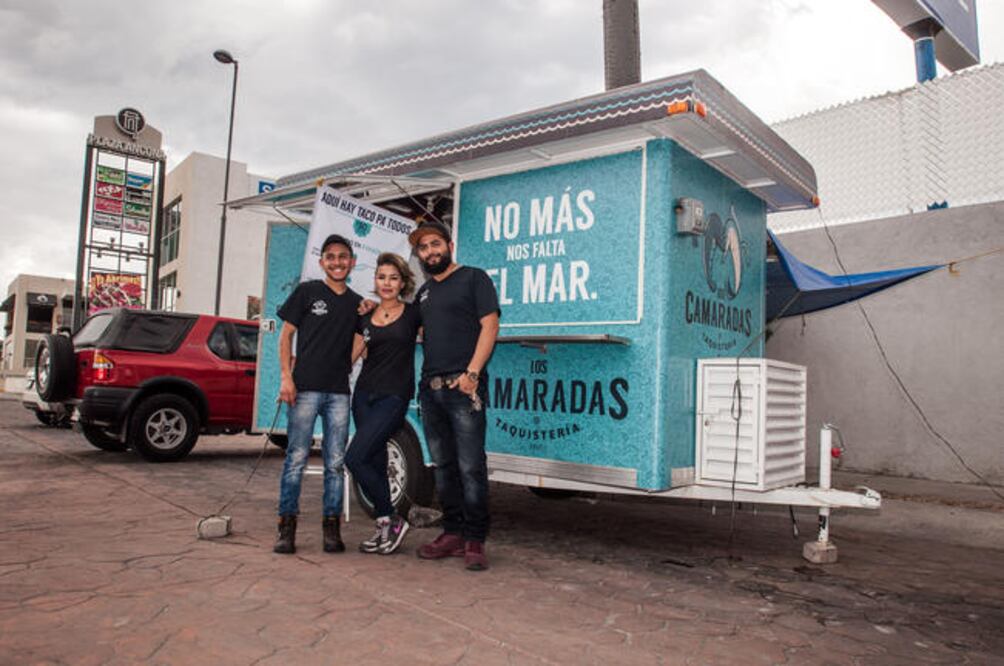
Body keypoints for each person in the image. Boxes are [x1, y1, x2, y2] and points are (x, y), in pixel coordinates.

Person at [409, 219, 500, 571]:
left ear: (449, 245)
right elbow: (409, 327)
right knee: (444, 468)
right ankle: (453, 532)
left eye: (435, 244)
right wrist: (373, 310)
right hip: (430, 392)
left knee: (470, 467)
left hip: (465, 388)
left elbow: (490, 325)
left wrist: (472, 373)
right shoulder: (424, 292)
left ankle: (475, 539)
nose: (430, 251)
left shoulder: (474, 278)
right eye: (423, 247)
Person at [273, 234, 361, 555]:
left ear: (352, 263)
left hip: (339, 393)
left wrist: (344, 365)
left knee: (335, 463)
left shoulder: (356, 302)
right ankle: (286, 527)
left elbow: (362, 338)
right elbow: (285, 337)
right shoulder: (307, 292)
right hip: (304, 389)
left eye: (343, 257)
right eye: (331, 257)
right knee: (295, 458)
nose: (337, 262)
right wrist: (286, 377)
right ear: (322, 261)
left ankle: (331, 529)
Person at [345, 253, 421, 555]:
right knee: (374, 461)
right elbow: (349, 358)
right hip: (363, 396)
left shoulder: (415, 313)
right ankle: (385, 526)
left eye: (393, 277)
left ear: (402, 282)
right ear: (375, 281)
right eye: (381, 277)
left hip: (394, 397)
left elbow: (438, 336)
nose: (386, 283)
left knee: (354, 458)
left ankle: (393, 521)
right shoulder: (364, 316)